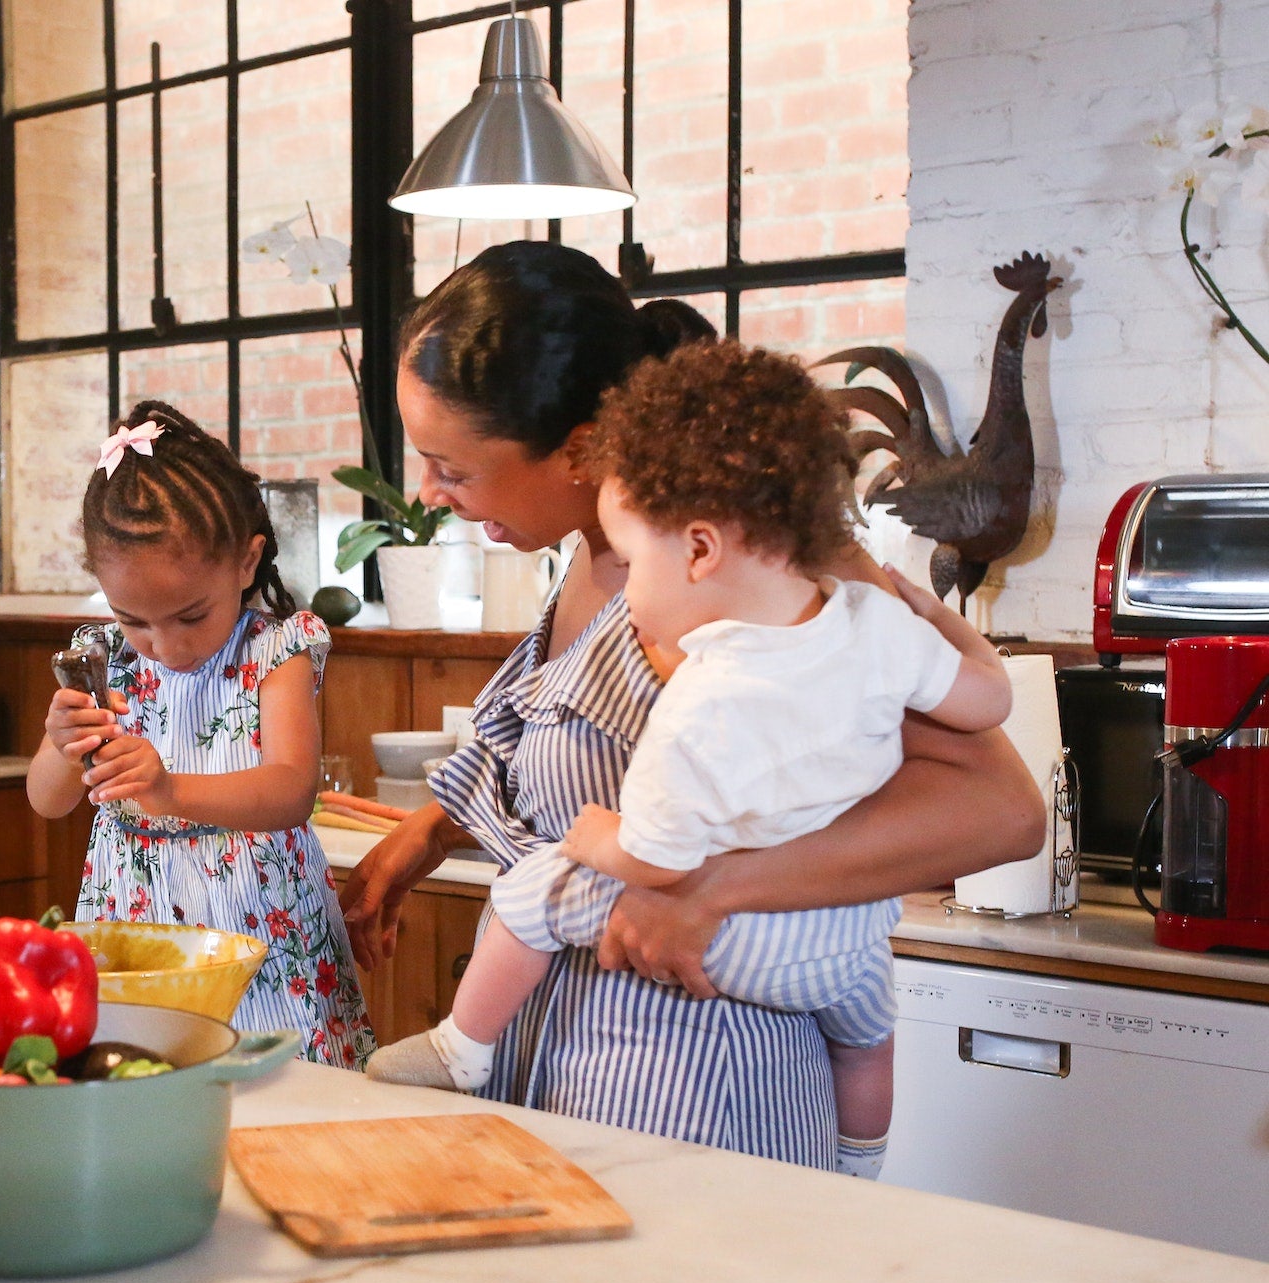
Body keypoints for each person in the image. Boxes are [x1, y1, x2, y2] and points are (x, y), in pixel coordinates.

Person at [345, 241, 1044, 1169]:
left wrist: (716, 889)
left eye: (453, 468)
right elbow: (577, 736)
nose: (427, 494)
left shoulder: (774, 567)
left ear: (582, 448)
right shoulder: (595, 561)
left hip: (701, 1086)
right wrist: (432, 827)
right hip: (560, 1067)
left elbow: (1000, 811)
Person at [27, 400, 375, 1067]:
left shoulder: (275, 652)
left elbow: (289, 791)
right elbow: (49, 801)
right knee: (148, 1080)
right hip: (139, 932)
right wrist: (58, 743)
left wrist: (168, 787)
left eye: (190, 616)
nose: (167, 646)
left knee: (284, 1094)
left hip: (258, 928)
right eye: (136, 620)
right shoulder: (104, 660)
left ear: (246, 563)